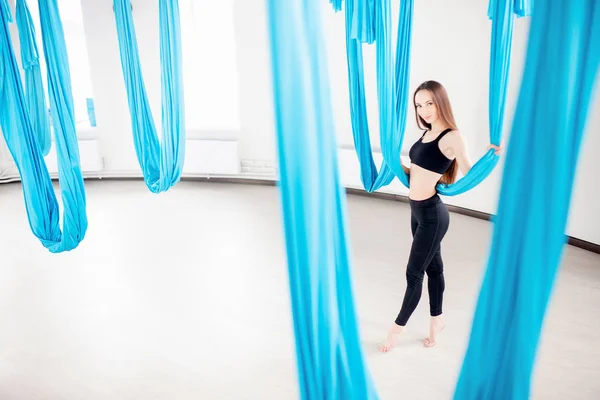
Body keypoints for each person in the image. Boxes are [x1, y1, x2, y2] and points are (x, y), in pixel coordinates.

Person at [378, 80, 502, 352]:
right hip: (417, 212)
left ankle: (397, 329)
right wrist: (395, 163)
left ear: (441, 102)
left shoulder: (452, 136)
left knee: (414, 273)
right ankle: (437, 320)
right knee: (434, 269)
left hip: (433, 216)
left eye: (429, 103)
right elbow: (418, 172)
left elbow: (471, 174)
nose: (424, 110)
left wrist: (490, 159)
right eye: (419, 105)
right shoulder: (426, 134)